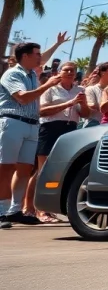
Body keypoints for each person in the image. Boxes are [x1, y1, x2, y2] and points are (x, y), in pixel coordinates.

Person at [0, 42, 63, 228]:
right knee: (6, 167)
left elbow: (44, 59)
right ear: (25, 56)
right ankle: (2, 211)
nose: (40, 57)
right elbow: (22, 97)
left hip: (31, 125)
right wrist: (48, 85)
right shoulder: (13, 74)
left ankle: (15, 210)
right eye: (36, 54)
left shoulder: (31, 73)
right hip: (13, 122)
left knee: (25, 169)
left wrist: (57, 44)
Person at [35, 61, 89, 222]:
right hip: (50, 128)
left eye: (73, 70)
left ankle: (51, 209)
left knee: (61, 170)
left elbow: (85, 114)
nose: (71, 73)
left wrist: (83, 103)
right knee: (42, 170)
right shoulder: (50, 89)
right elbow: (41, 111)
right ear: (59, 72)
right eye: (67, 70)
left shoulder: (80, 90)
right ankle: (38, 210)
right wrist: (67, 104)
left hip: (70, 128)